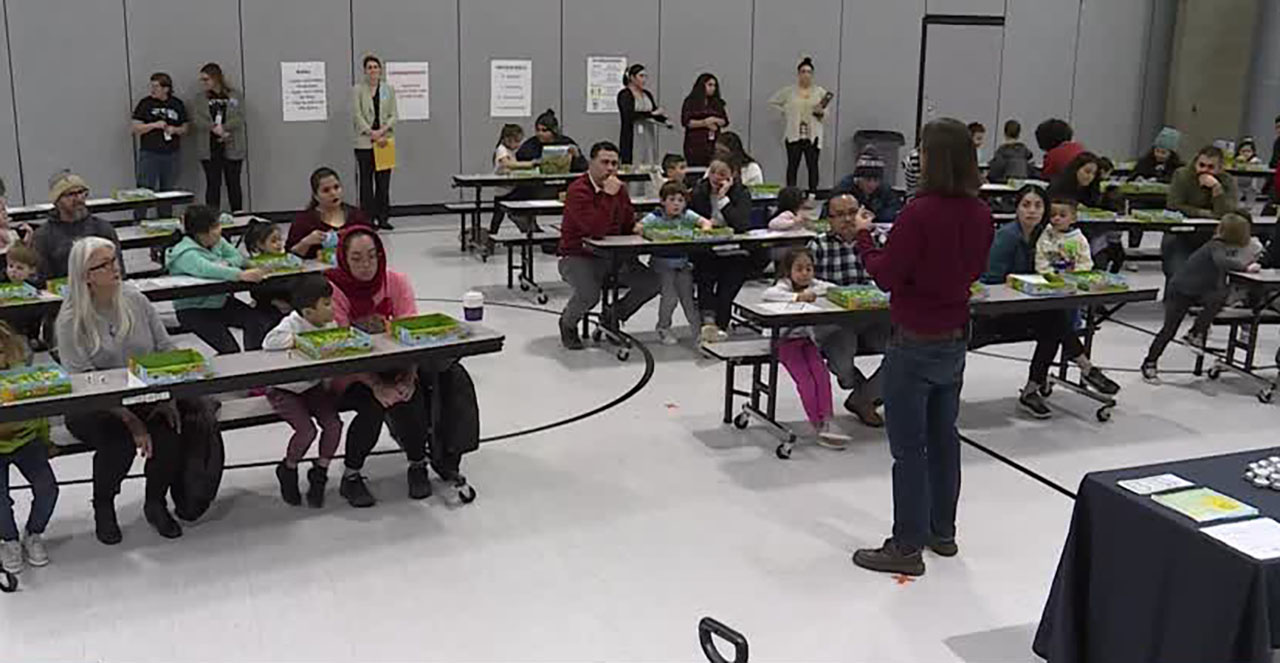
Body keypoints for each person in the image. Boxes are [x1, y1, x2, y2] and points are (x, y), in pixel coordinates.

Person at [850, 118, 993, 577]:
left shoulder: (921, 212)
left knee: (908, 448)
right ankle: (942, 531)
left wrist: (863, 240)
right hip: (954, 337)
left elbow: (888, 274)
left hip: (914, 339)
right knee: (943, 437)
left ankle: (906, 545)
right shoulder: (980, 212)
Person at [59, 237, 217, 542]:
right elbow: (83, 380)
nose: (113, 268)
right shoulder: (70, 320)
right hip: (93, 405)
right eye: (103, 265)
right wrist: (131, 421)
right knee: (117, 443)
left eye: (114, 260)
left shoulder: (135, 299)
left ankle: (155, 502)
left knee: (169, 432)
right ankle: (103, 505)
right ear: (85, 275)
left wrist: (167, 396)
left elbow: (165, 348)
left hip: (145, 393)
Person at [325, 227, 476, 507]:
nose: (365, 265)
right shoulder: (333, 290)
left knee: (411, 397)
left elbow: (412, 335)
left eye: (371, 256)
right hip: (349, 372)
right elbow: (341, 348)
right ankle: (352, 475)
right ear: (343, 259)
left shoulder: (396, 281)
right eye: (356, 258)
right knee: (374, 404)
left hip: (396, 365)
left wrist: (408, 376)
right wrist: (377, 385)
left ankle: (417, 464)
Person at [977, 186, 1119, 419]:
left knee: (1053, 321)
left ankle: (1036, 388)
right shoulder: (1007, 236)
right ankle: (1086, 368)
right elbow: (991, 281)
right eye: (1026, 205)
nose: (1032, 211)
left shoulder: (1049, 235)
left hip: (1034, 308)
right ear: (1017, 208)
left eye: (1038, 206)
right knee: (1054, 321)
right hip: (999, 312)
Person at [556, 142, 660, 350]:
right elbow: (595, 229)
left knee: (652, 282)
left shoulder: (619, 190)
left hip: (613, 255)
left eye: (614, 163)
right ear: (591, 163)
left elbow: (627, 223)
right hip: (578, 255)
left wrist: (640, 227)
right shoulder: (578, 190)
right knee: (589, 294)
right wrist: (608, 196)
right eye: (605, 162)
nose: (611, 168)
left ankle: (612, 316)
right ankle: (567, 323)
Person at [1142, 213, 1260, 381]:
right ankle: (1149, 363)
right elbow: (1221, 263)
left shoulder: (1228, 247)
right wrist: (1245, 267)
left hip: (1200, 290)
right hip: (1181, 290)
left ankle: (1195, 332)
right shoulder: (1215, 245)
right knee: (1169, 330)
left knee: (1219, 296)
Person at [262, 274, 344, 508]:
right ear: (308, 312)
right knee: (306, 431)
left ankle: (320, 471)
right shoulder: (292, 323)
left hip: (313, 386)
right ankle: (288, 468)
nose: (333, 308)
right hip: (285, 389)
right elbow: (269, 342)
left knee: (333, 425)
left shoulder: (331, 323)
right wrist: (301, 341)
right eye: (327, 304)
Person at [808, 194, 889, 427]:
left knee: (904, 353)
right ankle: (864, 395)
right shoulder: (818, 245)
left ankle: (863, 399)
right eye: (840, 215)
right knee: (842, 362)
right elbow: (804, 285)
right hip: (835, 322)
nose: (847, 219)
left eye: (852, 212)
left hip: (876, 317)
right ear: (829, 219)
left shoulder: (878, 240)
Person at [763, 248, 851, 448]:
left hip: (806, 340)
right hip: (784, 342)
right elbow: (769, 294)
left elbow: (831, 288)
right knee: (806, 381)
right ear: (788, 271)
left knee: (821, 375)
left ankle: (828, 419)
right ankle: (817, 424)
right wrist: (798, 297)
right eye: (799, 269)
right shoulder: (781, 287)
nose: (805, 273)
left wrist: (813, 292)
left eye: (809, 268)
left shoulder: (813, 285)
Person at [165, 205, 271, 354]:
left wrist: (227, 264)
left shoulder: (217, 242)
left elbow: (237, 257)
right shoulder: (185, 253)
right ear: (201, 233)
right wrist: (238, 274)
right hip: (193, 309)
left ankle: (253, 358)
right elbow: (206, 269)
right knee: (230, 350)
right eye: (214, 227)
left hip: (219, 301)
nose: (219, 230)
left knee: (256, 321)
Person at [0, 321, 56, 574]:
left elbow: (39, 408)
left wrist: (45, 439)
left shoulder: (22, 360)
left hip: (27, 438)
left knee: (47, 488)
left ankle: (34, 533)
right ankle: (9, 540)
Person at [690, 159, 754, 343]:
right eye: (713, 172)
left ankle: (720, 325)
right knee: (705, 276)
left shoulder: (741, 193)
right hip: (707, 249)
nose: (717, 178)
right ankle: (709, 324)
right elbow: (691, 219)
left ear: (732, 175)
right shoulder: (700, 192)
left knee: (728, 286)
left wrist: (723, 200)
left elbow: (741, 224)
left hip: (736, 251)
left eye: (722, 173)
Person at [638, 181, 708, 345]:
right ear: (662, 201)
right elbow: (639, 227)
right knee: (669, 299)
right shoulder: (656, 216)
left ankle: (699, 332)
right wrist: (651, 234)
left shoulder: (687, 215)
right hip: (662, 266)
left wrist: (702, 231)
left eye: (680, 200)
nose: (676, 204)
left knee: (688, 300)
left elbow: (705, 223)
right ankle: (663, 327)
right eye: (672, 199)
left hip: (682, 265)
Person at [1163, 146, 1240, 283]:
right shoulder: (1182, 175)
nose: (1205, 170)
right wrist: (1202, 213)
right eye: (1201, 165)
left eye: (1211, 167)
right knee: (1177, 272)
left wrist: (1217, 189)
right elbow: (1173, 205)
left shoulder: (1227, 181)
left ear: (1220, 168)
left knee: (1216, 275)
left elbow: (1227, 213)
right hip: (1181, 234)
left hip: (1213, 236)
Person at [33, 171, 122, 280]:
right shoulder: (43, 236)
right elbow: (44, 279)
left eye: (81, 192)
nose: (78, 198)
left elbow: (119, 271)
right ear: (57, 201)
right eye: (70, 194)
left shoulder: (102, 228)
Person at [130, 72, 188, 219]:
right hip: (150, 153)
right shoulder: (145, 104)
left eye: (156, 86)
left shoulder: (177, 104)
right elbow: (136, 128)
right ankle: (138, 221)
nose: (152, 89)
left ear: (166, 88)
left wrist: (174, 130)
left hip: (171, 154)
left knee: (167, 191)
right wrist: (154, 125)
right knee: (144, 190)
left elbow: (186, 128)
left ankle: (165, 222)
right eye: (152, 86)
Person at [769, 57, 831, 192]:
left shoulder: (820, 92)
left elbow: (826, 113)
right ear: (798, 74)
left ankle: (812, 194)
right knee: (792, 165)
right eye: (803, 71)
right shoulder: (789, 91)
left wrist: (820, 112)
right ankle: (791, 193)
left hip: (812, 135)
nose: (806, 75)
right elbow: (772, 103)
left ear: (813, 75)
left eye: (809, 72)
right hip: (794, 134)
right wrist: (786, 112)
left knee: (812, 165)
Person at [287, 167, 374, 261]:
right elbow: (289, 258)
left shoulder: (357, 216)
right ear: (316, 196)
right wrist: (306, 242)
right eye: (326, 190)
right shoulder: (304, 221)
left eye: (336, 187)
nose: (333, 193)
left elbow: (373, 247)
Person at [352, 53, 398, 231]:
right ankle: (367, 219)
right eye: (369, 67)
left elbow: (394, 115)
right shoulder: (358, 90)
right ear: (365, 71)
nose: (373, 70)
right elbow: (357, 115)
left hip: (385, 141)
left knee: (383, 182)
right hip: (364, 142)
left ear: (380, 70)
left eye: (375, 67)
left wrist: (382, 132)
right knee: (366, 182)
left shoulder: (388, 90)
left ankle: (383, 217)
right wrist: (371, 133)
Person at [192, 63, 246, 212]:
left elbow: (240, 117)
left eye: (206, 79)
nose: (203, 83)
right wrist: (214, 128)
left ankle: (238, 214)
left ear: (216, 78)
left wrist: (225, 128)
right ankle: (212, 217)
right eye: (202, 80)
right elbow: (197, 119)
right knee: (213, 183)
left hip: (231, 143)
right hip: (209, 146)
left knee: (233, 182)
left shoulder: (234, 95)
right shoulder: (199, 98)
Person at [487, 124, 538, 238]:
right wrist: (529, 164)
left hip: (510, 188)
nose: (518, 144)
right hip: (503, 190)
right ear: (506, 139)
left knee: (498, 216)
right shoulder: (501, 150)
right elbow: (508, 164)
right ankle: (492, 235)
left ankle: (531, 226)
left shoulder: (511, 151)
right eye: (516, 141)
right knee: (497, 217)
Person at [834, 147, 903, 223]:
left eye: (876, 180)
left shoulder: (885, 189)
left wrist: (874, 216)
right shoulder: (844, 189)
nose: (872, 184)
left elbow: (896, 210)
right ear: (858, 178)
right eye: (868, 180)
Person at [616, 64, 667, 165]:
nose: (644, 80)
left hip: (647, 134)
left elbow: (653, 112)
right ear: (632, 77)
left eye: (645, 76)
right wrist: (651, 114)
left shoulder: (647, 94)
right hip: (633, 135)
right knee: (634, 161)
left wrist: (663, 119)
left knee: (649, 159)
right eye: (641, 76)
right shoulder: (625, 94)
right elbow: (629, 115)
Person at [681, 73, 729, 168]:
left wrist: (714, 120)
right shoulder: (690, 101)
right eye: (710, 85)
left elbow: (725, 121)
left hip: (713, 142)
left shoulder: (717, 102)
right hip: (695, 143)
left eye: (714, 85)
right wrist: (705, 123)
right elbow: (686, 122)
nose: (713, 88)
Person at [515, 109, 588, 172]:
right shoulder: (530, 145)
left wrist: (577, 156)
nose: (540, 133)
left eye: (544, 130)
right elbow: (519, 162)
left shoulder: (566, 142)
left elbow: (583, 168)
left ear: (553, 131)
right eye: (538, 130)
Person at [1036, 198, 1093, 274]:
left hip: (1074, 279)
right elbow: (1040, 258)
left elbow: (1085, 262)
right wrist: (1049, 273)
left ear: (1073, 218)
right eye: (1053, 215)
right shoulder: (1046, 235)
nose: (1057, 218)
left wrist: (1076, 273)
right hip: (1049, 277)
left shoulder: (1079, 239)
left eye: (1062, 216)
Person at [1235, 137, 1264, 204]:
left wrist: (1252, 163)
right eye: (1243, 151)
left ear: (1253, 152)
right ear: (1239, 151)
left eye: (1248, 151)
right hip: (1238, 186)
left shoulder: (1256, 160)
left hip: (1250, 186)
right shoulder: (1237, 160)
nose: (1246, 153)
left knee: (1250, 204)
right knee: (1235, 203)